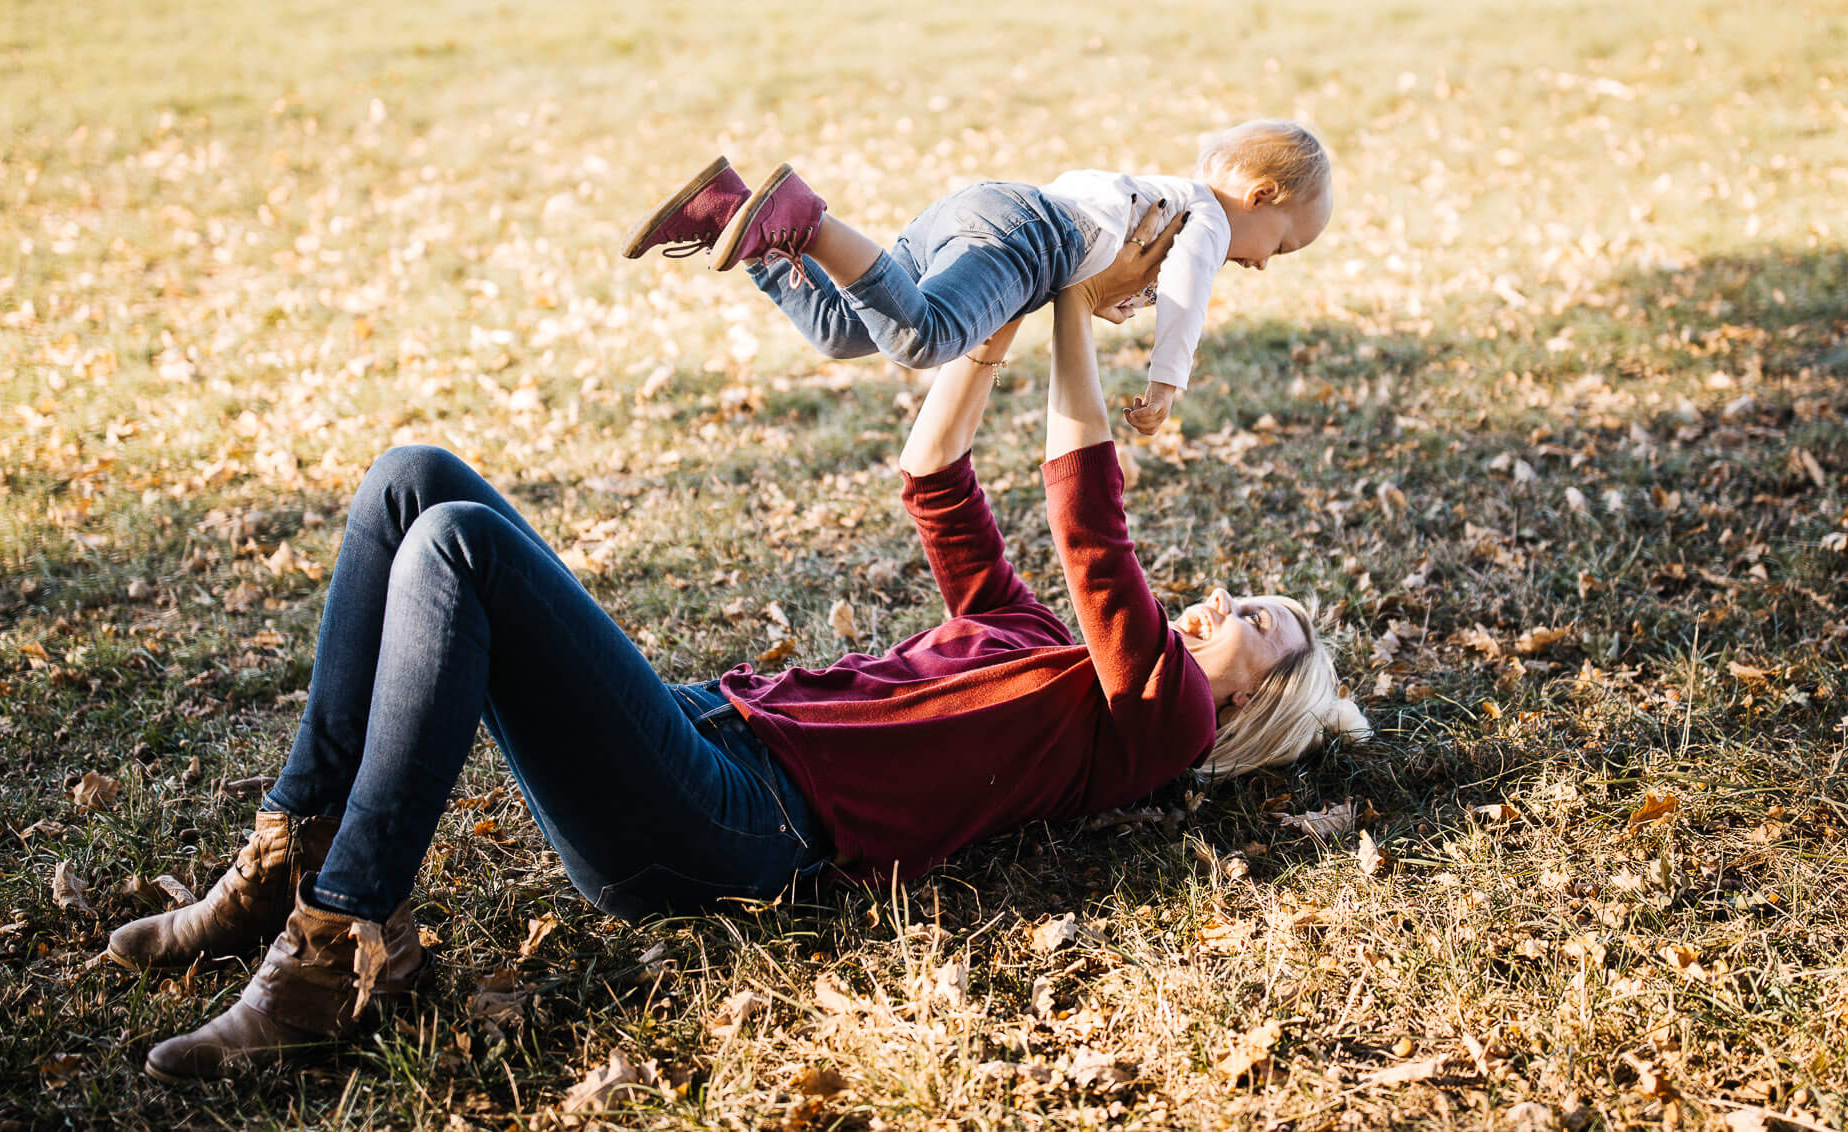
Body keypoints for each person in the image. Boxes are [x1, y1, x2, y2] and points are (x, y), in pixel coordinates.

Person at [108, 202, 1368, 1082]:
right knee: (411, 479)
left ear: (1256, 704)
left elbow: (1089, 516)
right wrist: (989, 331)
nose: (1225, 608)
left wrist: (1073, 309)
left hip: (735, 828)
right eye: (1245, 597)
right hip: (704, 731)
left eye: (1259, 626)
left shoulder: (1162, 727)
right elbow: (936, 474)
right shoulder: (1034, 636)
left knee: (455, 550)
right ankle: (281, 864)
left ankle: (330, 956)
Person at [622, 119, 1332, 435]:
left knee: (842, 331)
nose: (1266, 264)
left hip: (983, 210)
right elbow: (1185, 300)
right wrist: (1165, 383)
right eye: (1284, 246)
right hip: (1024, 238)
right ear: (1261, 196)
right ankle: (805, 220)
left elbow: (1107, 263)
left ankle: (732, 218)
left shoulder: (1157, 195)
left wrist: (1108, 302)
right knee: (922, 339)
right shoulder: (1206, 215)